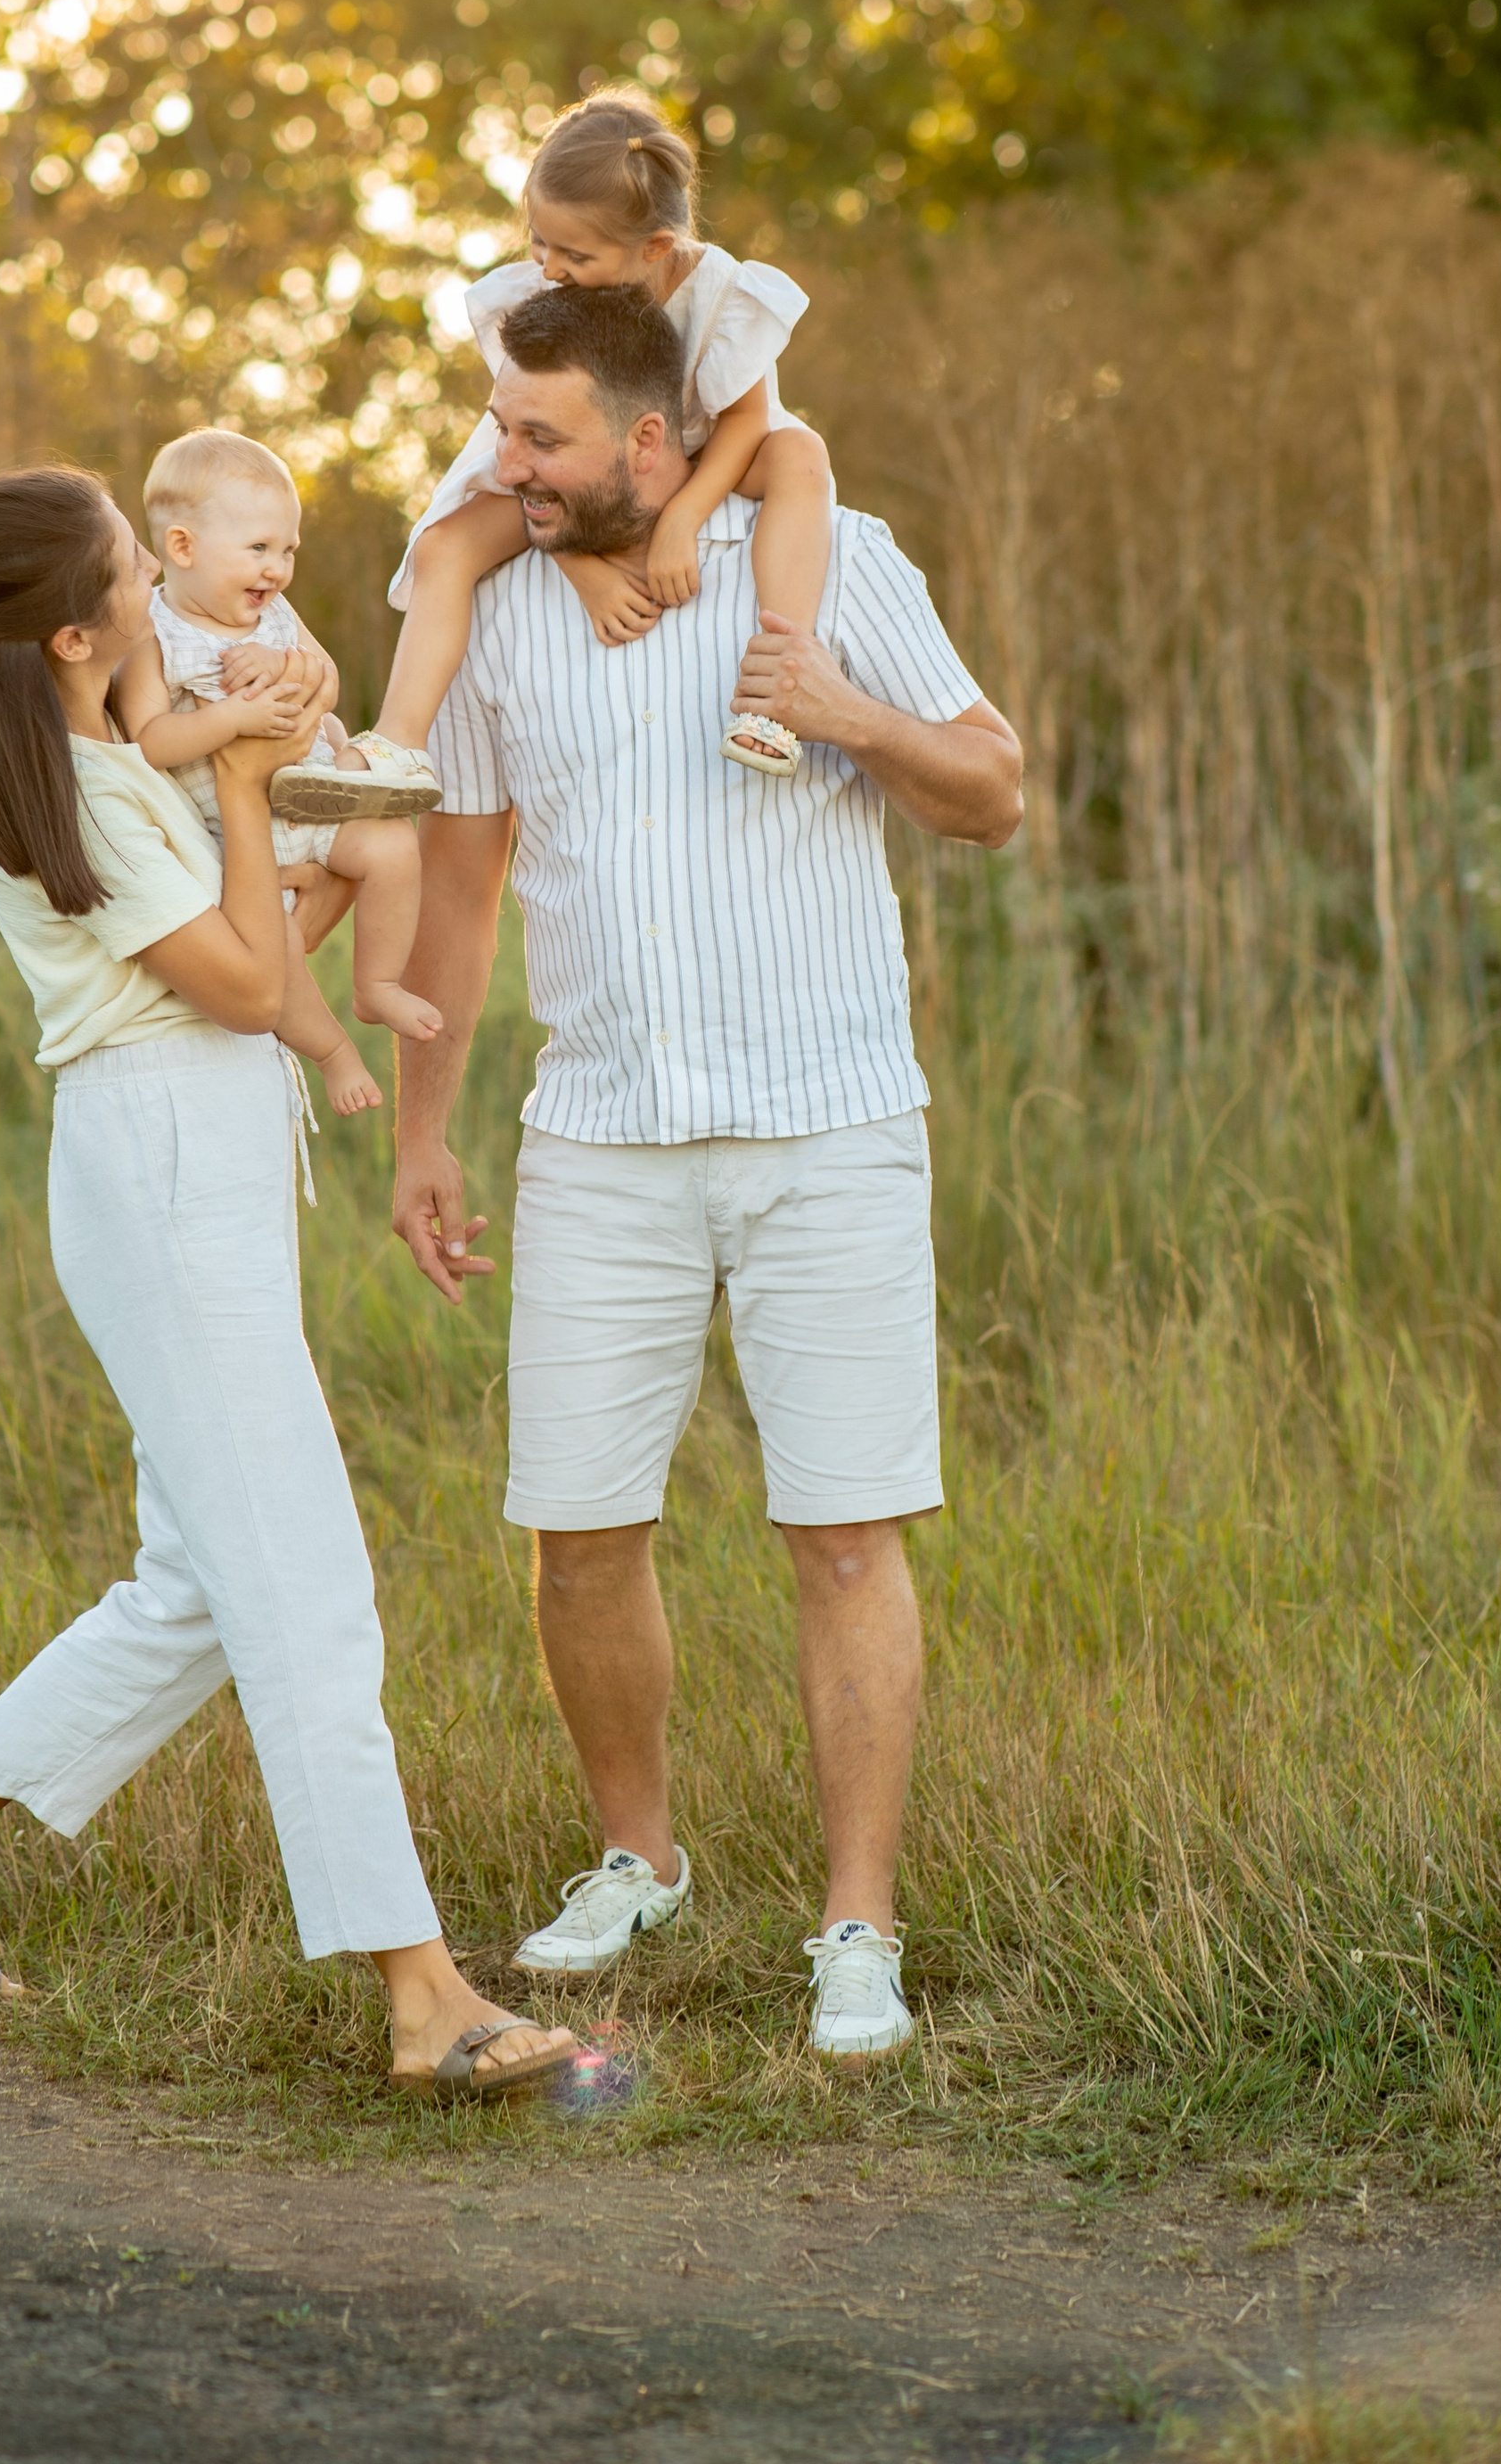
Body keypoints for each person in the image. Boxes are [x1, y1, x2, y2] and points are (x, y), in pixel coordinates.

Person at [0, 464, 577, 2104]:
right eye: (136, 587)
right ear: (78, 631)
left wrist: (277, 761)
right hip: (160, 1167)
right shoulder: (68, 793)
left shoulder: (108, 748)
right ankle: (425, 1996)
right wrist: (242, 778)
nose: (169, 598)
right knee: (301, 1583)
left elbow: (260, 935)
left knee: (195, 1582)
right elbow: (237, 985)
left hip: (207, 1160)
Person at [389, 289, 1025, 2065]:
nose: (498, 465)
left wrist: (841, 707)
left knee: (840, 1528)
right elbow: (453, 887)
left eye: (537, 439)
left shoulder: (827, 560)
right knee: (574, 1530)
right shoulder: (506, 609)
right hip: (594, 1135)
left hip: (828, 1123)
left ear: (651, 443)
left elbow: (992, 791)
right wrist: (426, 1130)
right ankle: (638, 1856)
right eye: (496, 429)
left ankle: (853, 1927)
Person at [274, 90, 835, 810]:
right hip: (581, 473)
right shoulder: (555, 289)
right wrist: (582, 566)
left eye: (573, 253)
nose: (549, 267)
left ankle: (775, 692)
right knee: (447, 547)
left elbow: (746, 422)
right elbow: (538, 459)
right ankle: (398, 743)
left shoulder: (724, 294)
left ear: (654, 249)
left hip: (699, 454)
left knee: (801, 454)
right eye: (539, 241)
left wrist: (682, 520)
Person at [115, 427, 439, 1121]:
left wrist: (291, 673)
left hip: (310, 805)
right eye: (259, 549)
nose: (279, 569)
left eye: (288, 550)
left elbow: (326, 678)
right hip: (244, 839)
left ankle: (377, 982)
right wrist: (232, 719)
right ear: (183, 548)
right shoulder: (156, 636)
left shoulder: (275, 615)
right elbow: (151, 740)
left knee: (393, 845)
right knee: (279, 949)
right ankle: (331, 1053)